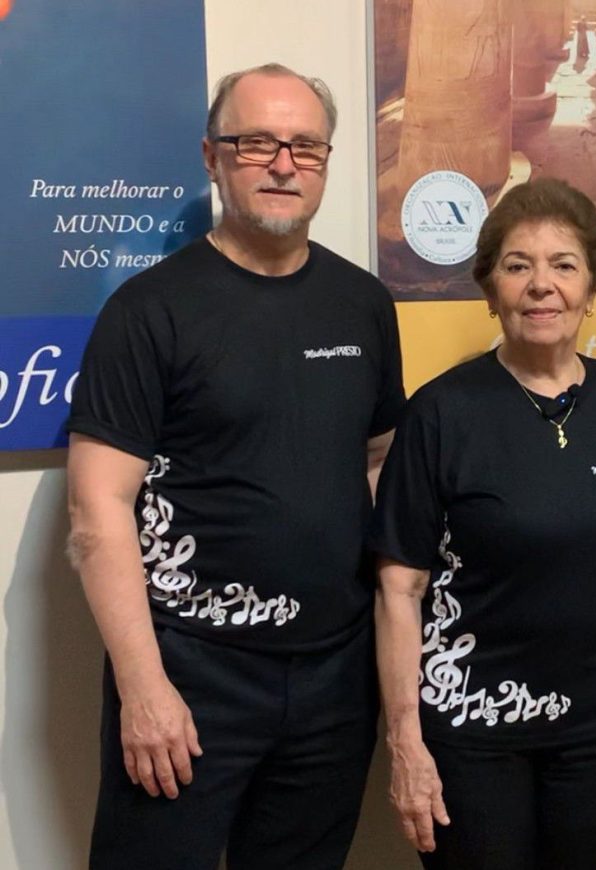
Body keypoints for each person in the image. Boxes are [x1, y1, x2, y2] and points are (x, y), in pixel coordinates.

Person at [66, 63, 405, 870]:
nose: (283, 164)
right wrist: (144, 690)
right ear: (213, 156)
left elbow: (378, 463)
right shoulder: (148, 312)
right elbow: (96, 513)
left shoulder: (364, 304)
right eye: (257, 143)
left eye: (305, 146)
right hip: (190, 675)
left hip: (332, 677)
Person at [371, 177, 596, 870]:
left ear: (592, 287)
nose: (542, 285)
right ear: (490, 289)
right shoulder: (442, 414)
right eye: (518, 266)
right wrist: (406, 742)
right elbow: (399, 591)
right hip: (472, 730)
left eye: (563, 265)